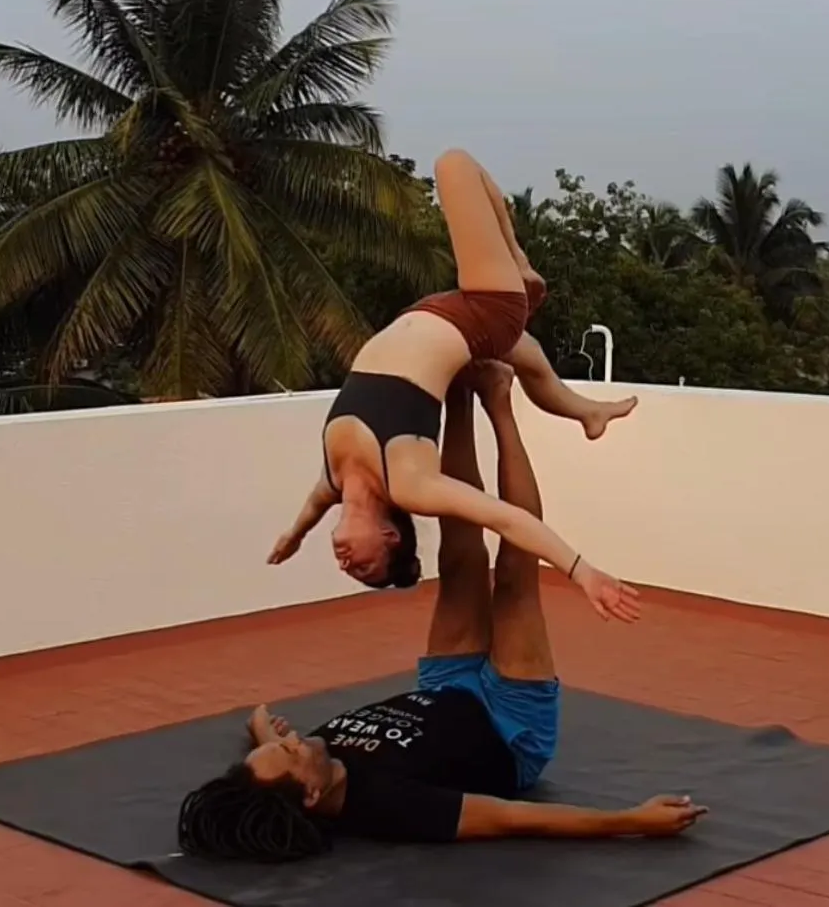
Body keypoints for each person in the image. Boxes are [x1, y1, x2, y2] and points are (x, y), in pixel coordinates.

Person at [183, 365, 704, 861]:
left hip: (441, 687)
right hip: (509, 728)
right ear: (314, 796)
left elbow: (273, 751)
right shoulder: (390, 807)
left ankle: (461, 394)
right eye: (291, 751)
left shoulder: (306, 763)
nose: (294, 738)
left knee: (459, 550)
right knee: (517, 573)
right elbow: (511, 819)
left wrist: (261, 733)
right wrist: (632, 821)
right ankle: (499, 401)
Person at [267, 149, 639, 624]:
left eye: (350, 571)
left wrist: (293, 538)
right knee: (454, 166)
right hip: (485, 313)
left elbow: (309, 510)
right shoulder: (411, 483)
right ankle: (520, 263)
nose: (346, 564)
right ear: (391, 537)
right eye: (364, 565)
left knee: (528, 362)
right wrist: (581, 570)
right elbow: (505, 518)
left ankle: (585, 411)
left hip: (443, 314)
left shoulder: (334, 482)